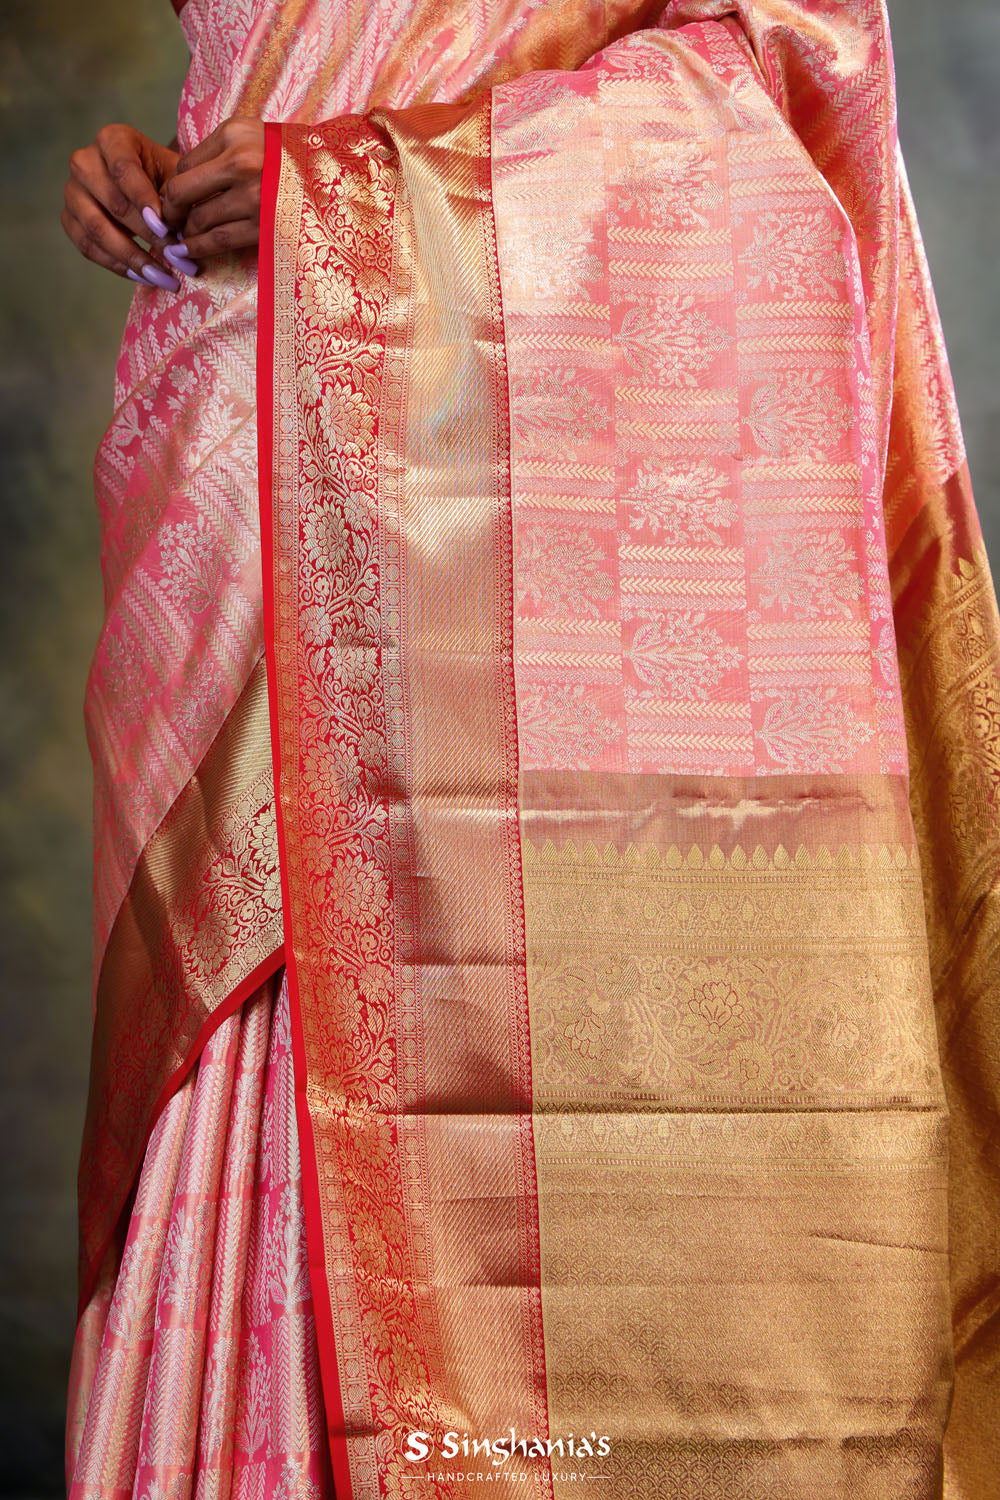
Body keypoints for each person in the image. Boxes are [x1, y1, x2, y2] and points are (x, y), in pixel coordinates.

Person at [61, 1, 1000, 1496]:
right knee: (227, 1048)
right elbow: (260, 71)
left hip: (471, 530)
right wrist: (151, 184)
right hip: (227, 469)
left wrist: (362, 192)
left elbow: (782, 76)